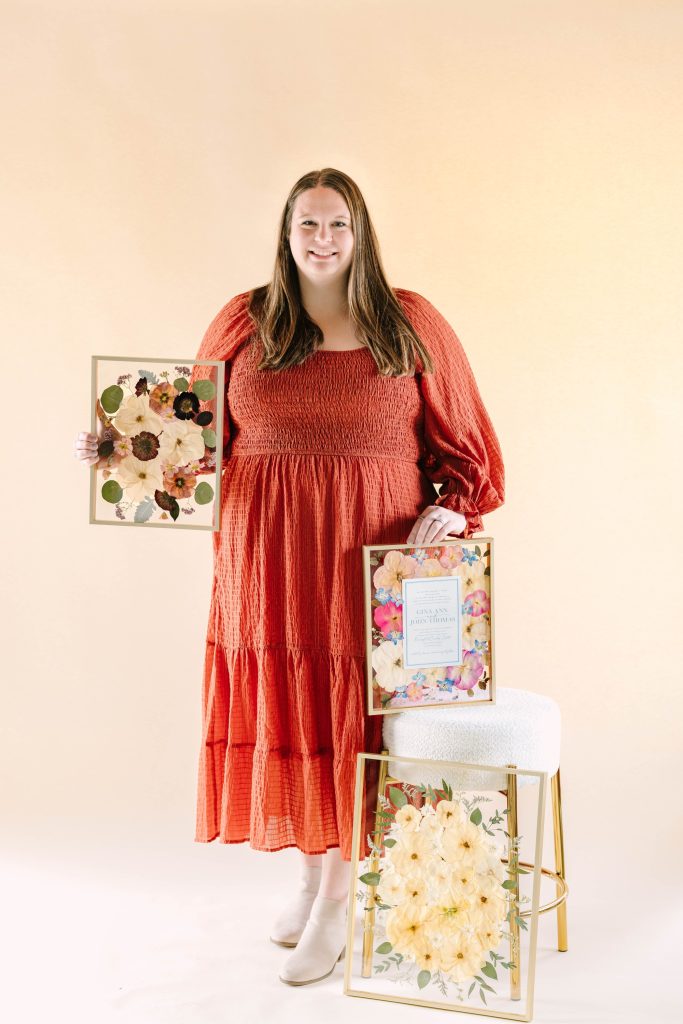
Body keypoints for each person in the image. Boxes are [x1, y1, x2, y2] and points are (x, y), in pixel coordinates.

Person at [73, 167, 505, 986]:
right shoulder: (247, 320)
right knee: (290, 703)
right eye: (306, 225)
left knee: (350, 712)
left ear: (360, 231)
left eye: (336, 224)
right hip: (263, 552)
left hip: (368, 551)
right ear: (285, 231)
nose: (321, 240)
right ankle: (309, 874)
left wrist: (454, 508)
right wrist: (111, 446)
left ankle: (339, 901)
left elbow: (467, 447)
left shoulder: (410, 323)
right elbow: (187, 437)